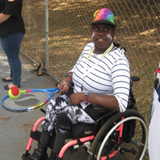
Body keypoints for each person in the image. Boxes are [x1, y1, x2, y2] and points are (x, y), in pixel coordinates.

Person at [26, 8, 130, 160]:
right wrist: (68, 79)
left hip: (97, 108)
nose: (100, 33)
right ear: (92, 31)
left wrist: (84, 96)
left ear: (113, 32)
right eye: (97, 28)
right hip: (78, 97)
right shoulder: (88, 48)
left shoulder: (119, 61)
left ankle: (54, 156)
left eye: (106, 29)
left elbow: (121, 104)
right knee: (54, 104)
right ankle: (40, 151)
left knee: (64, 115)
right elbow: (76, 69)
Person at [0, 0, 25, 90]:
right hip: (7, 31)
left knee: (13, 56)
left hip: (12, 31)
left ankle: (16, 82)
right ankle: (12, 76)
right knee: (10, 55)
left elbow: (7, 12)